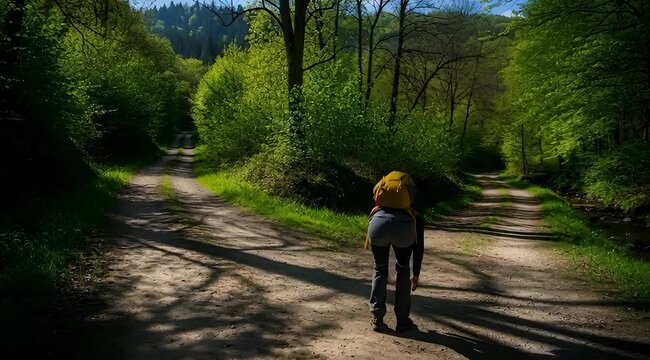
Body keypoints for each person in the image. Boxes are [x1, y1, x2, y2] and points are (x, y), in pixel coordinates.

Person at [367, 174, 425, 333]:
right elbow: (419, 247)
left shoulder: (377, 210)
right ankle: (402, 321)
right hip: (403, 230)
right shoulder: (414, 216)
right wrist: (417, 273)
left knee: (380, 268)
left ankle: (377, 318)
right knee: (403, 269)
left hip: (377, 225)